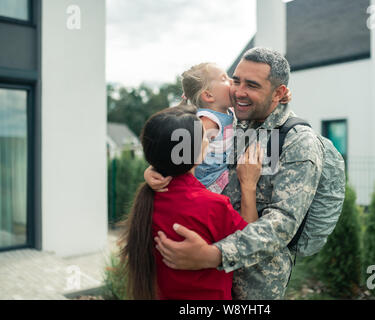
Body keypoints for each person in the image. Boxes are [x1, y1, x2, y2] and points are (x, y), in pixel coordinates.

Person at [149, 47, 325, 299]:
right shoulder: (233, 118)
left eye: (251, 85)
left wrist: (213, 255)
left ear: (279, 93)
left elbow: (281, 225)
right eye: (235, 80)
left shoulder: (297, 143)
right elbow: (179, 144)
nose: (238, 91)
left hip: (253, 283)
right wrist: (156, 170)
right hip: (203, 278)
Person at [119, 104, 263, 300]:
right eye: (206, 137)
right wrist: (248, 185)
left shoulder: (148, 199)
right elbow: (251, 243)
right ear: (194, 154)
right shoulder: (214, 206)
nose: (210, 140)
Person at [145, 62, 290, 194]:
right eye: (224, 79)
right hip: (210, 185)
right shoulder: (208, 120)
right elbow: (180, 152)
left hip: (225, 178)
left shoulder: (229, 111)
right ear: (208, 95)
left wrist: (276, 96)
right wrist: (154, 170)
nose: (232, 81)